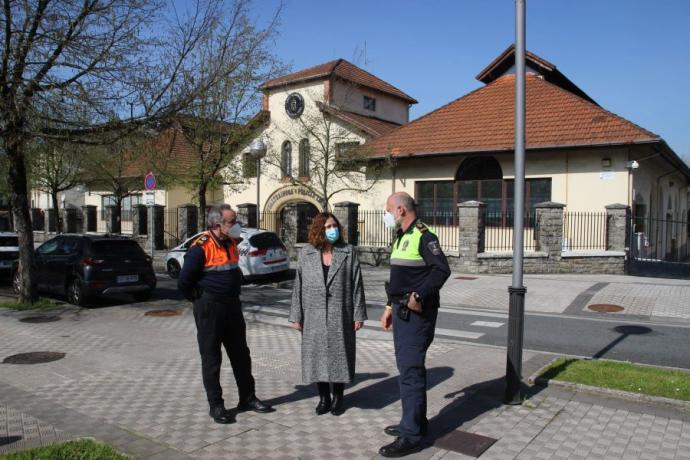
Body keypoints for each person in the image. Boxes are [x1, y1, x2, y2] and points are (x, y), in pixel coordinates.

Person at [178, 204, 273, 424]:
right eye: (232, 221)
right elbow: (184, 281)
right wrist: (198, 298)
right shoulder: (200, 247)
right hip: (210, 307)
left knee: (241, 354)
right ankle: (216, 406)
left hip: (232, 306)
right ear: (217, 224)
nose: (237, 225)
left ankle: (247, 398)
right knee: (212, 358)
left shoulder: (230, 242)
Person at [378, 192, 451, 457]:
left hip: (417, 315)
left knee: (410, 371)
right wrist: (388, 308)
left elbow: (441, 270)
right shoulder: (402, 236)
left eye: (387, 210)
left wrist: (418, 295)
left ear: (400, 210)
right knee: (406, 368)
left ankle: (411, 436)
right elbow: (398, 278)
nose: (385, 214)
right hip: (400, 312)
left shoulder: (424, 236)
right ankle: (414, 421)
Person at [289, 212, 367, 416]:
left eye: (334, 225)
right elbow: (298, 285)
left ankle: (338, 397)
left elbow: (357, 284)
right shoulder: (306, 253)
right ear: (318, 230)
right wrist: (296, 315)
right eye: (327, 227)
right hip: (313, 313)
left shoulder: (348, 252)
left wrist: (358, 314)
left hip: (341, 312)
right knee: (317, 357)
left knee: (339, 356)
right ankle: (323, 397)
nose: (332, 229)